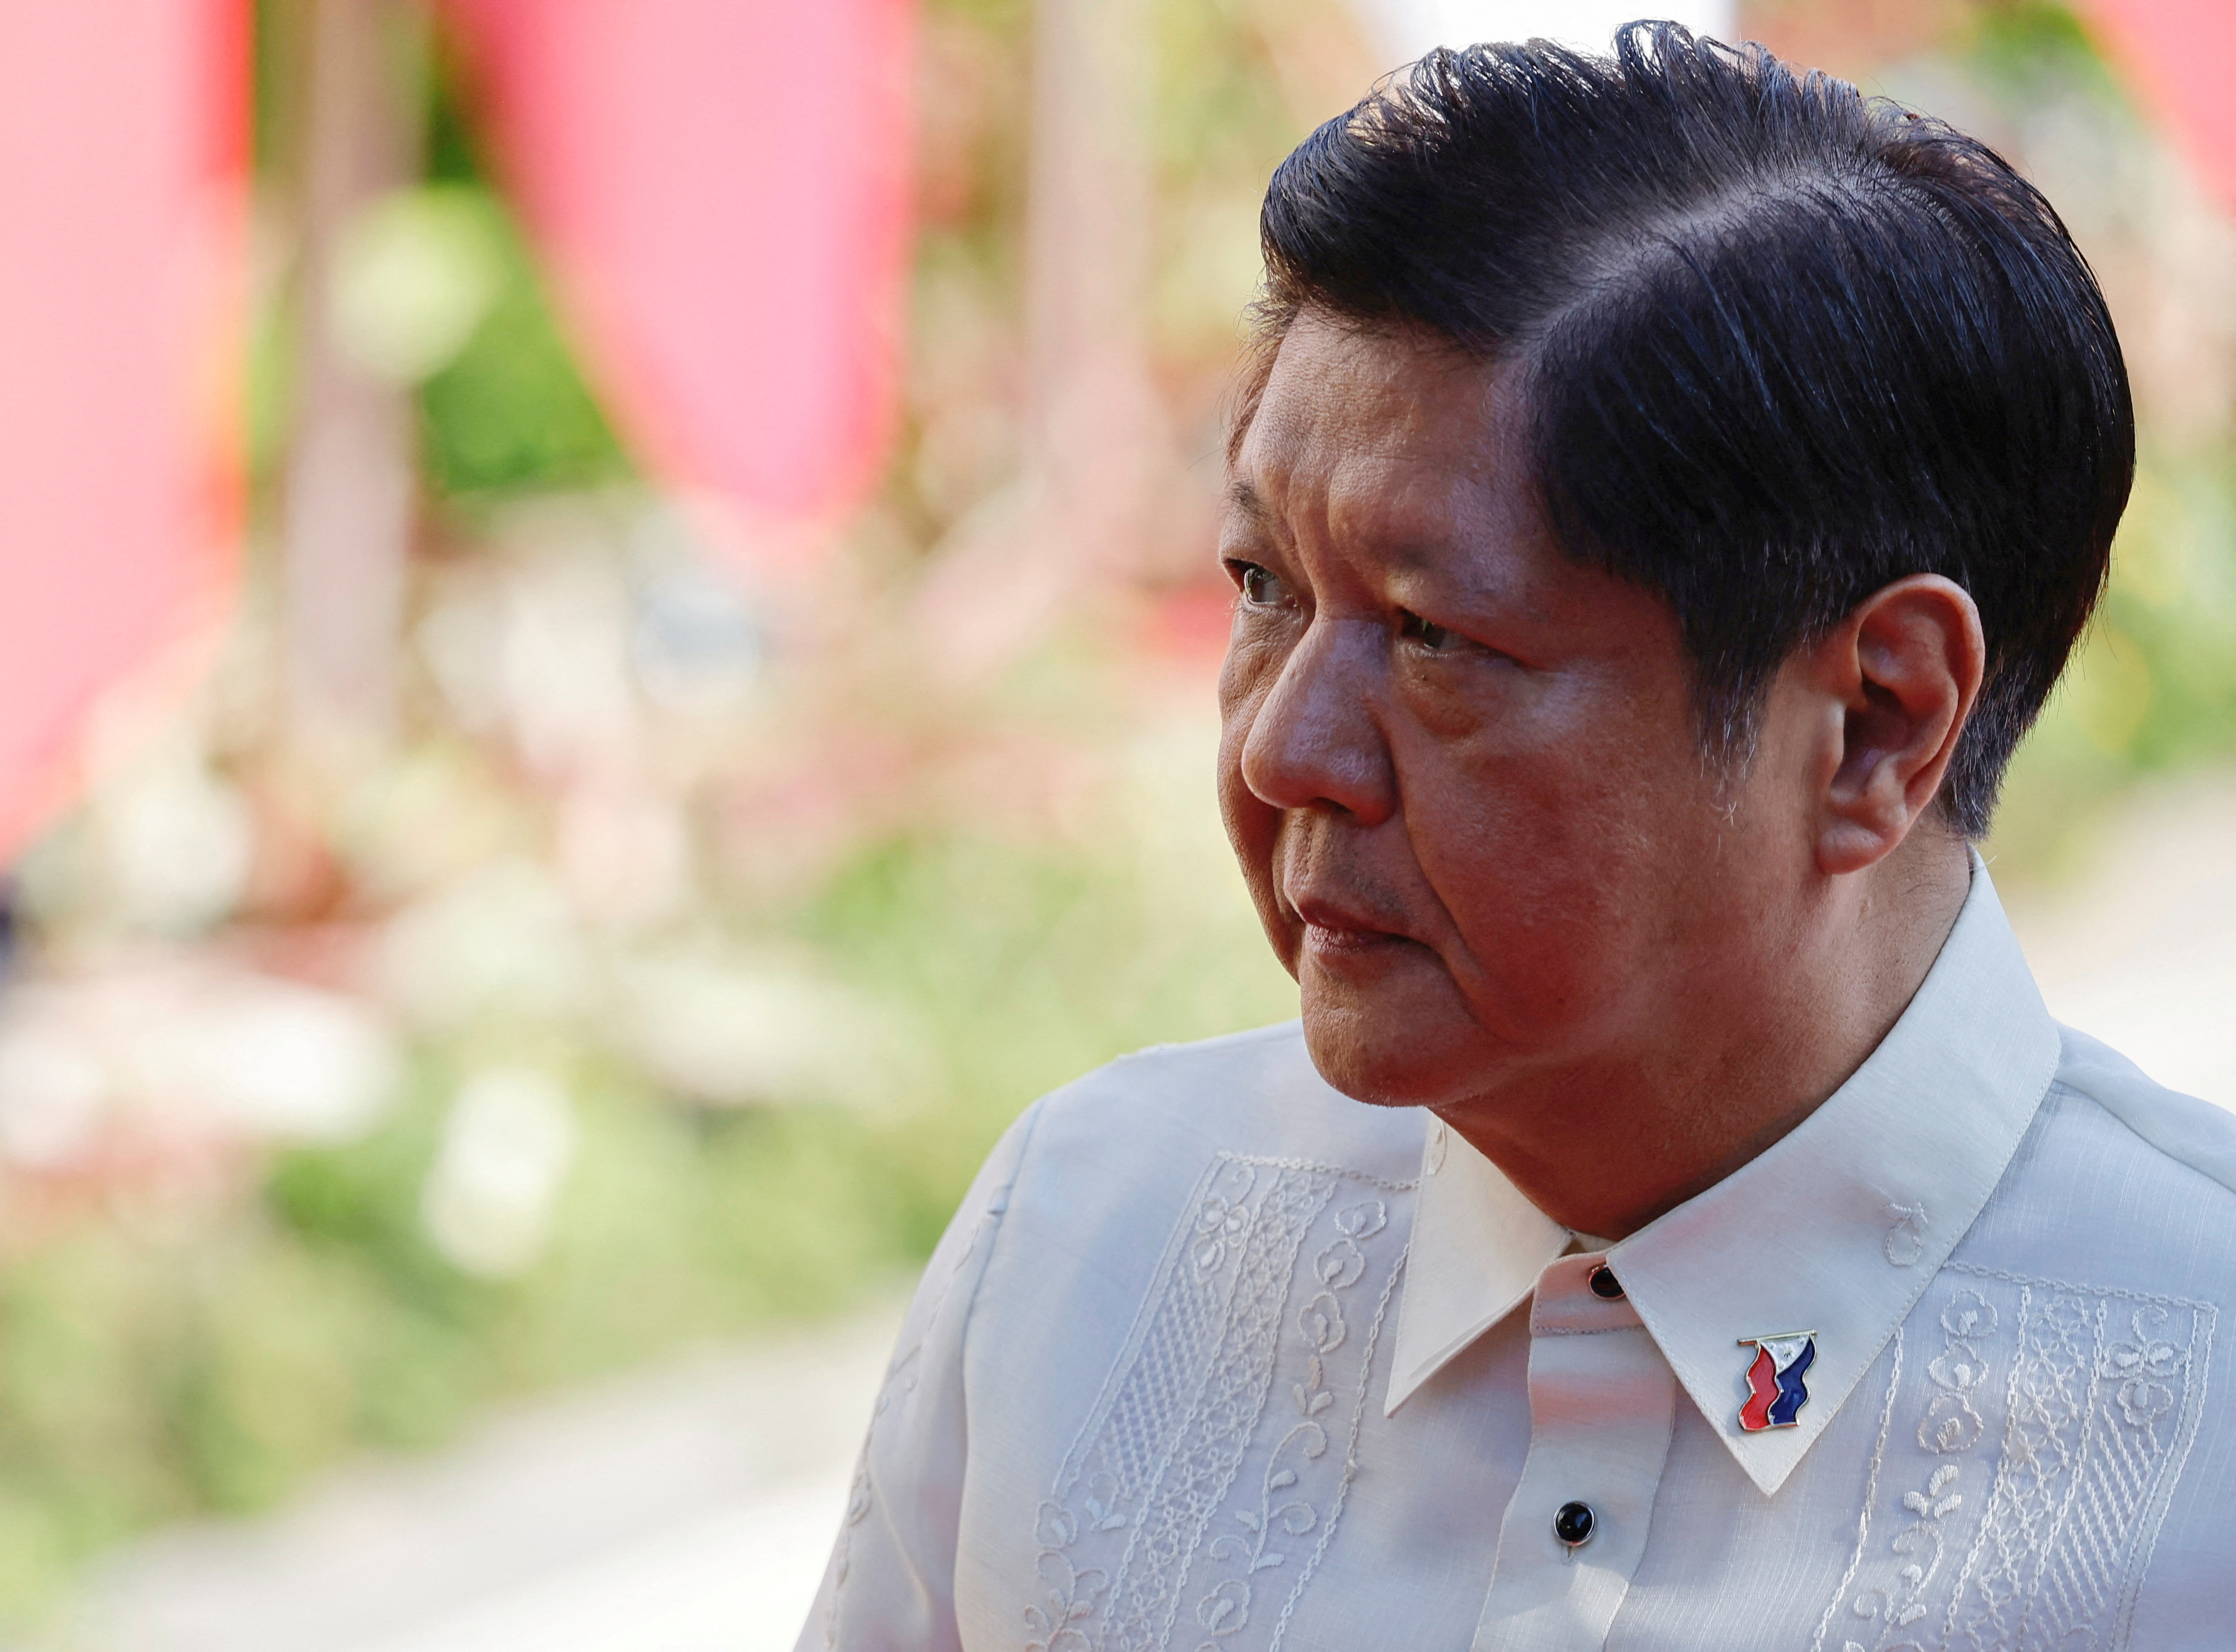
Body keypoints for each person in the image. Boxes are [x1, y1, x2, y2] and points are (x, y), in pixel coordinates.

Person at [798, 25, 2234, 1652]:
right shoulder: (1086, 1242)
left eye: (1434, 636)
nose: (1284, 752)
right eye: (1264, 587)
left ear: (1876, 723)